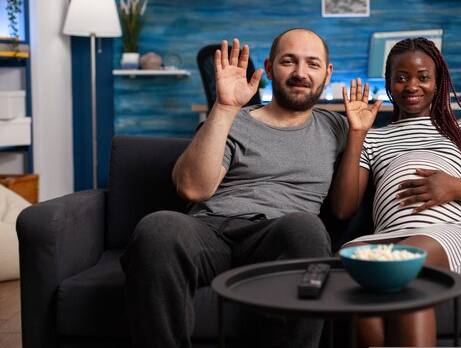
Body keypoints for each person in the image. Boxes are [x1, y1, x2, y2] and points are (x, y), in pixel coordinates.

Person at [120, 28, 348, 348]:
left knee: (307, 227)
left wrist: (447, 183)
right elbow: (192, 189)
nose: (300, 73)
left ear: (327, 73)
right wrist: (224, 109)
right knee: (158, 226)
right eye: (288, 61)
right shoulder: (231, 119)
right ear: (268, 68)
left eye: (312, 64)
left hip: (278, 237)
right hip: (210, 230)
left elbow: (393, 150)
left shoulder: (338, 127)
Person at [329, 37, 461, 347]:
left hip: (448, 233)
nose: (412, 86)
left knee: (398, 267)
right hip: (386, 239)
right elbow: (342, 209)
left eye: (423, 77)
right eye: (401, 77)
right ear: (389, 83)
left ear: (438, 83)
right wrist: (356, 134)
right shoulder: (374, 137)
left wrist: (458, 187)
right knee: (351, 277)